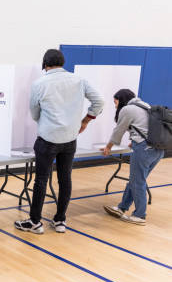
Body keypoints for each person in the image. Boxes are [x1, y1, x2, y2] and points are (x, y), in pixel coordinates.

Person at [15, 49, 105, 234]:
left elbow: (34, 112)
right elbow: (100, 101)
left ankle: (35, 223)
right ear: (62, 62)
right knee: (65, 180)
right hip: (70, 139)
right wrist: (86, 121)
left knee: (41, 180)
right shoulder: (79, 80)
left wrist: (45, 120)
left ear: (45, 64)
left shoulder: (39, 83)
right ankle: (60, 221)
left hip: (48, 138)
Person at [101, 89, 164, 225]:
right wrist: (134, 139)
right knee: (136, 180)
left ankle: (140, 215)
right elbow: (145, 127)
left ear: (121, 99)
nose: (115, 105)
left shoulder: (128, 109)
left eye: (115, 102)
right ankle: (122, 207)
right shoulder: (145, 105)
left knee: (137, 182)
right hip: (158, 150)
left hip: (144, 150)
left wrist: (108, 147)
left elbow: (118, 130)